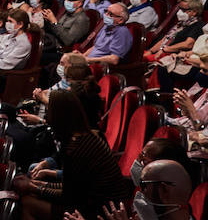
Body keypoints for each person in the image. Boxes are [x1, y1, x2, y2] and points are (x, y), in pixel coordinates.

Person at [12, 89, 129, 220]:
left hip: (103, 211)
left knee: (27, 203)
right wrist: (36, 184)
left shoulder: (76, 148)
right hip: (95, 201)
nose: (47, 117)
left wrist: (34, 187)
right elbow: (73, 186)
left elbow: (69, 196)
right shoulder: (90, 135)